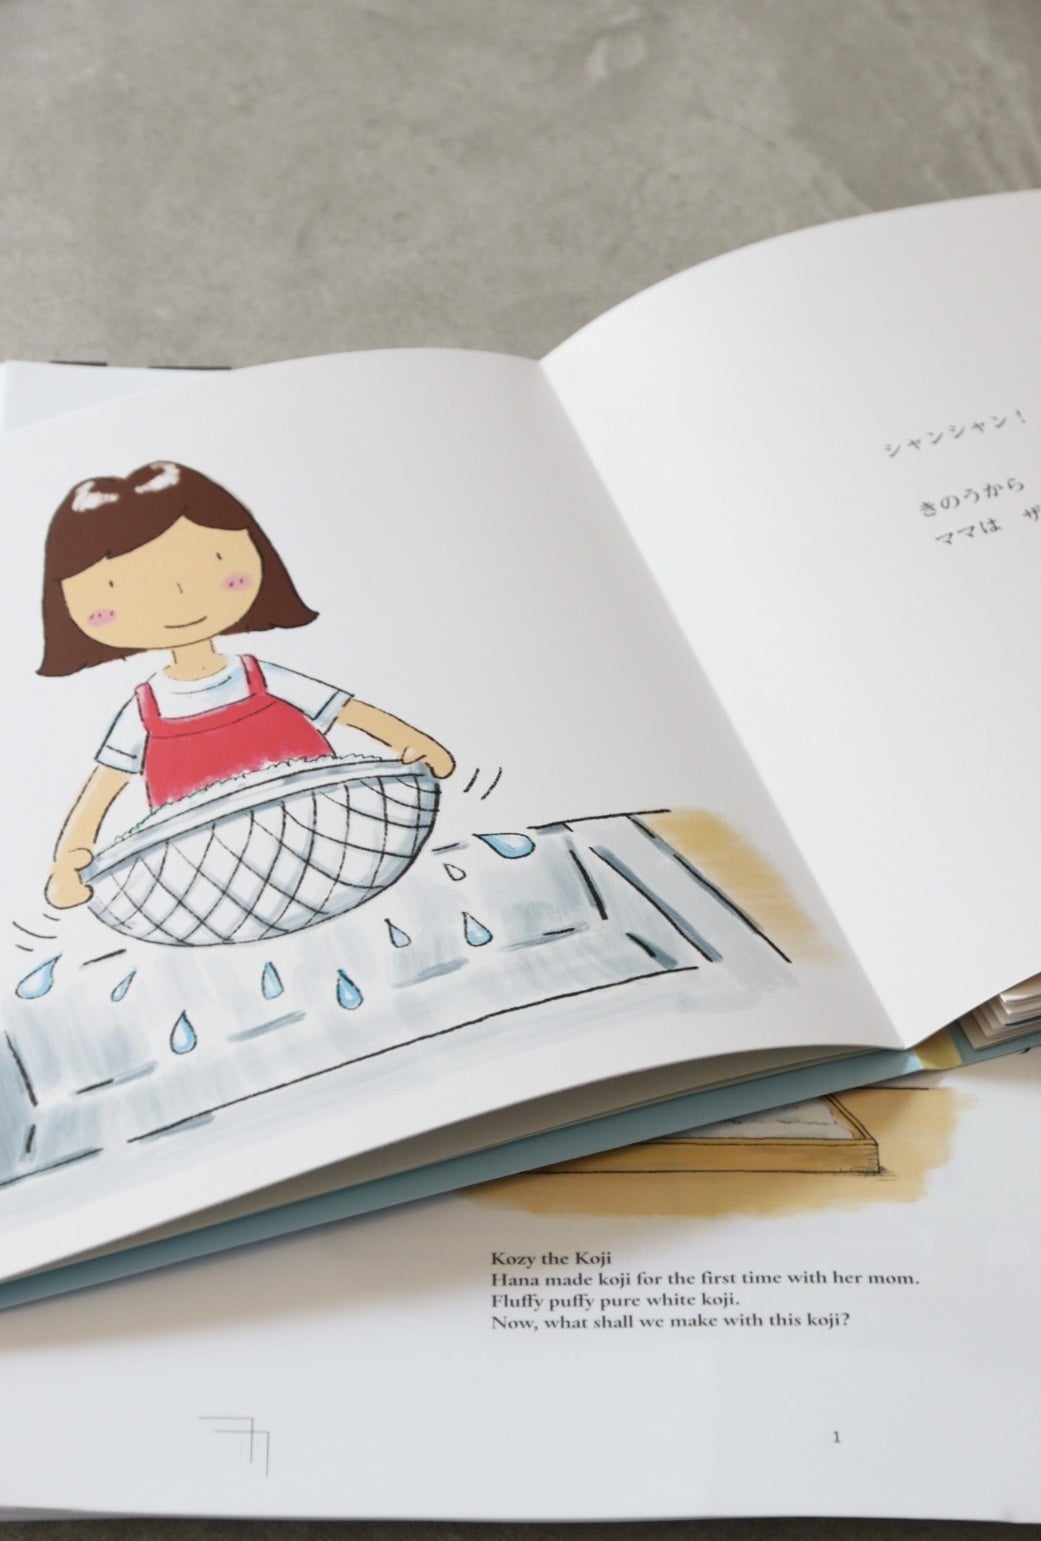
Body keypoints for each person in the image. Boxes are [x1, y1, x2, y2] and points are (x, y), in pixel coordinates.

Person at [39, 460, 453, 908]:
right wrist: (69, 858)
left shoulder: (261, 676)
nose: (179, 596)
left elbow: (345, 711)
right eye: (120, 587)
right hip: (217, 863)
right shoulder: (144, 710)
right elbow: (105, 784)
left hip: (327, 830)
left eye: (210, 563)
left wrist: (411, 741)